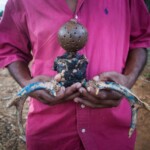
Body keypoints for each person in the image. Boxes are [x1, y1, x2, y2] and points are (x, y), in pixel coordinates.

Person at [0, 0, 150, 149]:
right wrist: (27, 83)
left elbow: (141, 39)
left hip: (113, 132)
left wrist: (128, 79)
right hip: (49, 133)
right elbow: (11, 48)